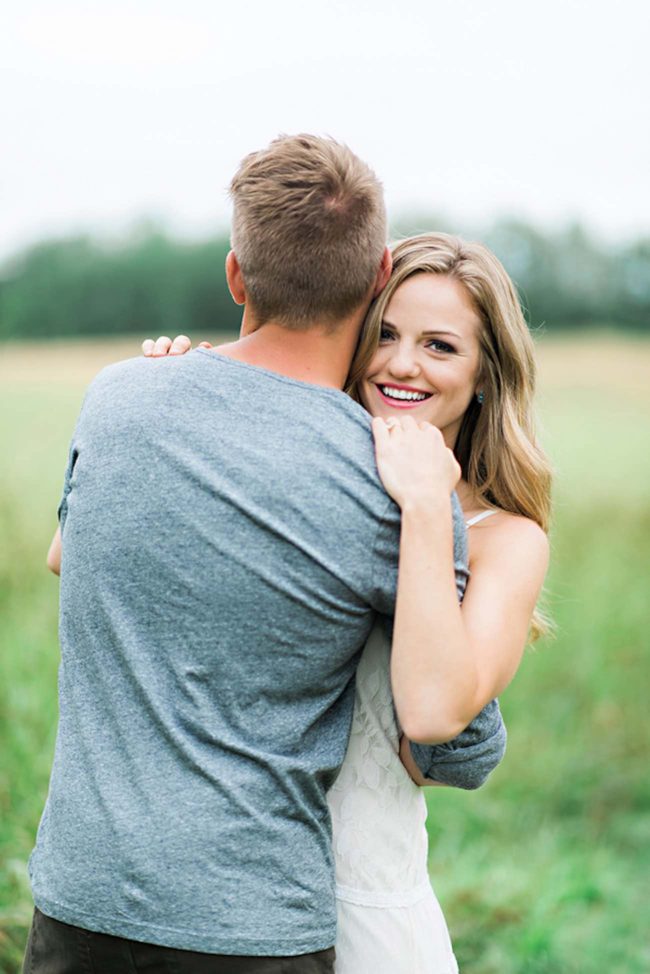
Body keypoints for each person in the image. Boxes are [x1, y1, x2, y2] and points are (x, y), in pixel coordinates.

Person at [26, 136, 506, 974]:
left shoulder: (116, 396)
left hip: (79, 900)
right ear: (378, 270)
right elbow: (453, 747)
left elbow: (71, 552)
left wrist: (176, 391)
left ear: (236, 276)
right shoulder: (394, 485)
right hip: (251, 928)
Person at [142, 231, 552, 973]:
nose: (401, 363)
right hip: (216, 891)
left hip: (366, 908)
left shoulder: (507, 540)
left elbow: (435, 718)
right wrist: (173, 408)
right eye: (386, 334)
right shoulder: (285, 478)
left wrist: (429, 502)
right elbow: (85, 556)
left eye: (440, 346)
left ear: (486, 374)